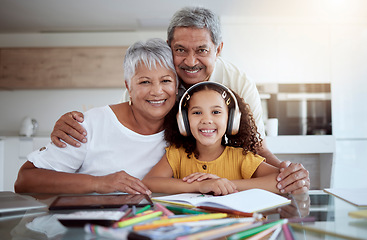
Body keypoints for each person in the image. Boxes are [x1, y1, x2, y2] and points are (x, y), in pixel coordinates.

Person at [49, 6, 309, 194]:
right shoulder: (155, 76)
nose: (190, 61)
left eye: (202, 50)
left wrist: (287, 174)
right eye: (180, 50)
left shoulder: (238, 82)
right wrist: (82, 123)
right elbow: (127, 120)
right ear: (169, 46)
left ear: (218, 49)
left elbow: (255, 145)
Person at [14, 38, 178, 195]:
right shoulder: (91, 124)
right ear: (128, 86)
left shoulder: (188, 127)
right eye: (144, 82)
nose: (157, 91)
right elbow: (25, 180)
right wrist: (99, 183)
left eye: (166, 81)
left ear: (176, 86)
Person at [143, 82, 280, 195]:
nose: (207, 120)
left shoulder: (242, 158)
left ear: (231, 120)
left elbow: (279, 180)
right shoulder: (177, 154)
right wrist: (201, 185)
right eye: (197, 112)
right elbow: (149, 182)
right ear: (184, 121)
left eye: (216, 112)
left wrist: (223, 184)